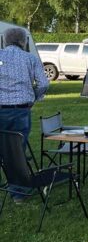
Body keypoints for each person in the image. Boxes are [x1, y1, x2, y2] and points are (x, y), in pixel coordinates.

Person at [0, 28, 49, 202]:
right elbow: (43, 84)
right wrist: (33, 96)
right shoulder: (30, 58)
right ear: (23, 41)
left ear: (4, 40)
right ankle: (17, 193)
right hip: (21, 110)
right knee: (16, 151)